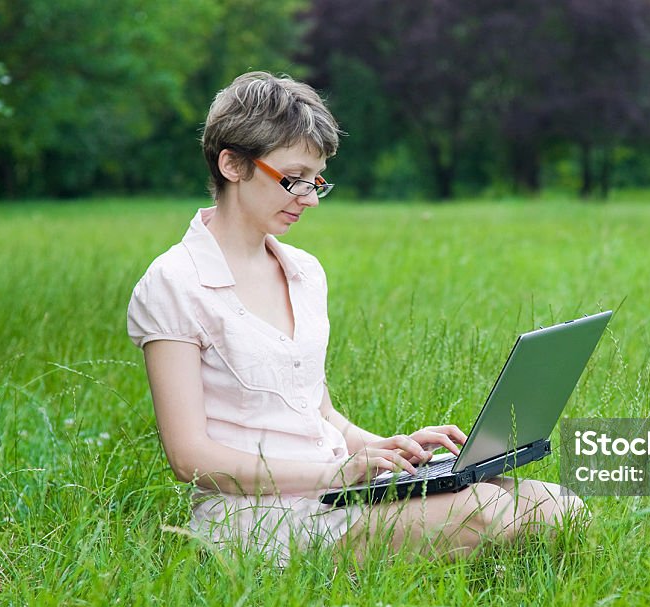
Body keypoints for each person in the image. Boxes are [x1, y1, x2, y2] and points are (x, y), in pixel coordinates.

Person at [127, 71, 588, 567]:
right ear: (233, 165)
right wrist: (335, 476)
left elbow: (317, 414)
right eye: (293, 178)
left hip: (335, 489)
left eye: (317, 181)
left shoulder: (303, 272)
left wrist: (389, 451)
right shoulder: (175, 282)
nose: (308, 197)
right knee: (488, 512)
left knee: (562, 507)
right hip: (255, 516)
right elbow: (190, 458)